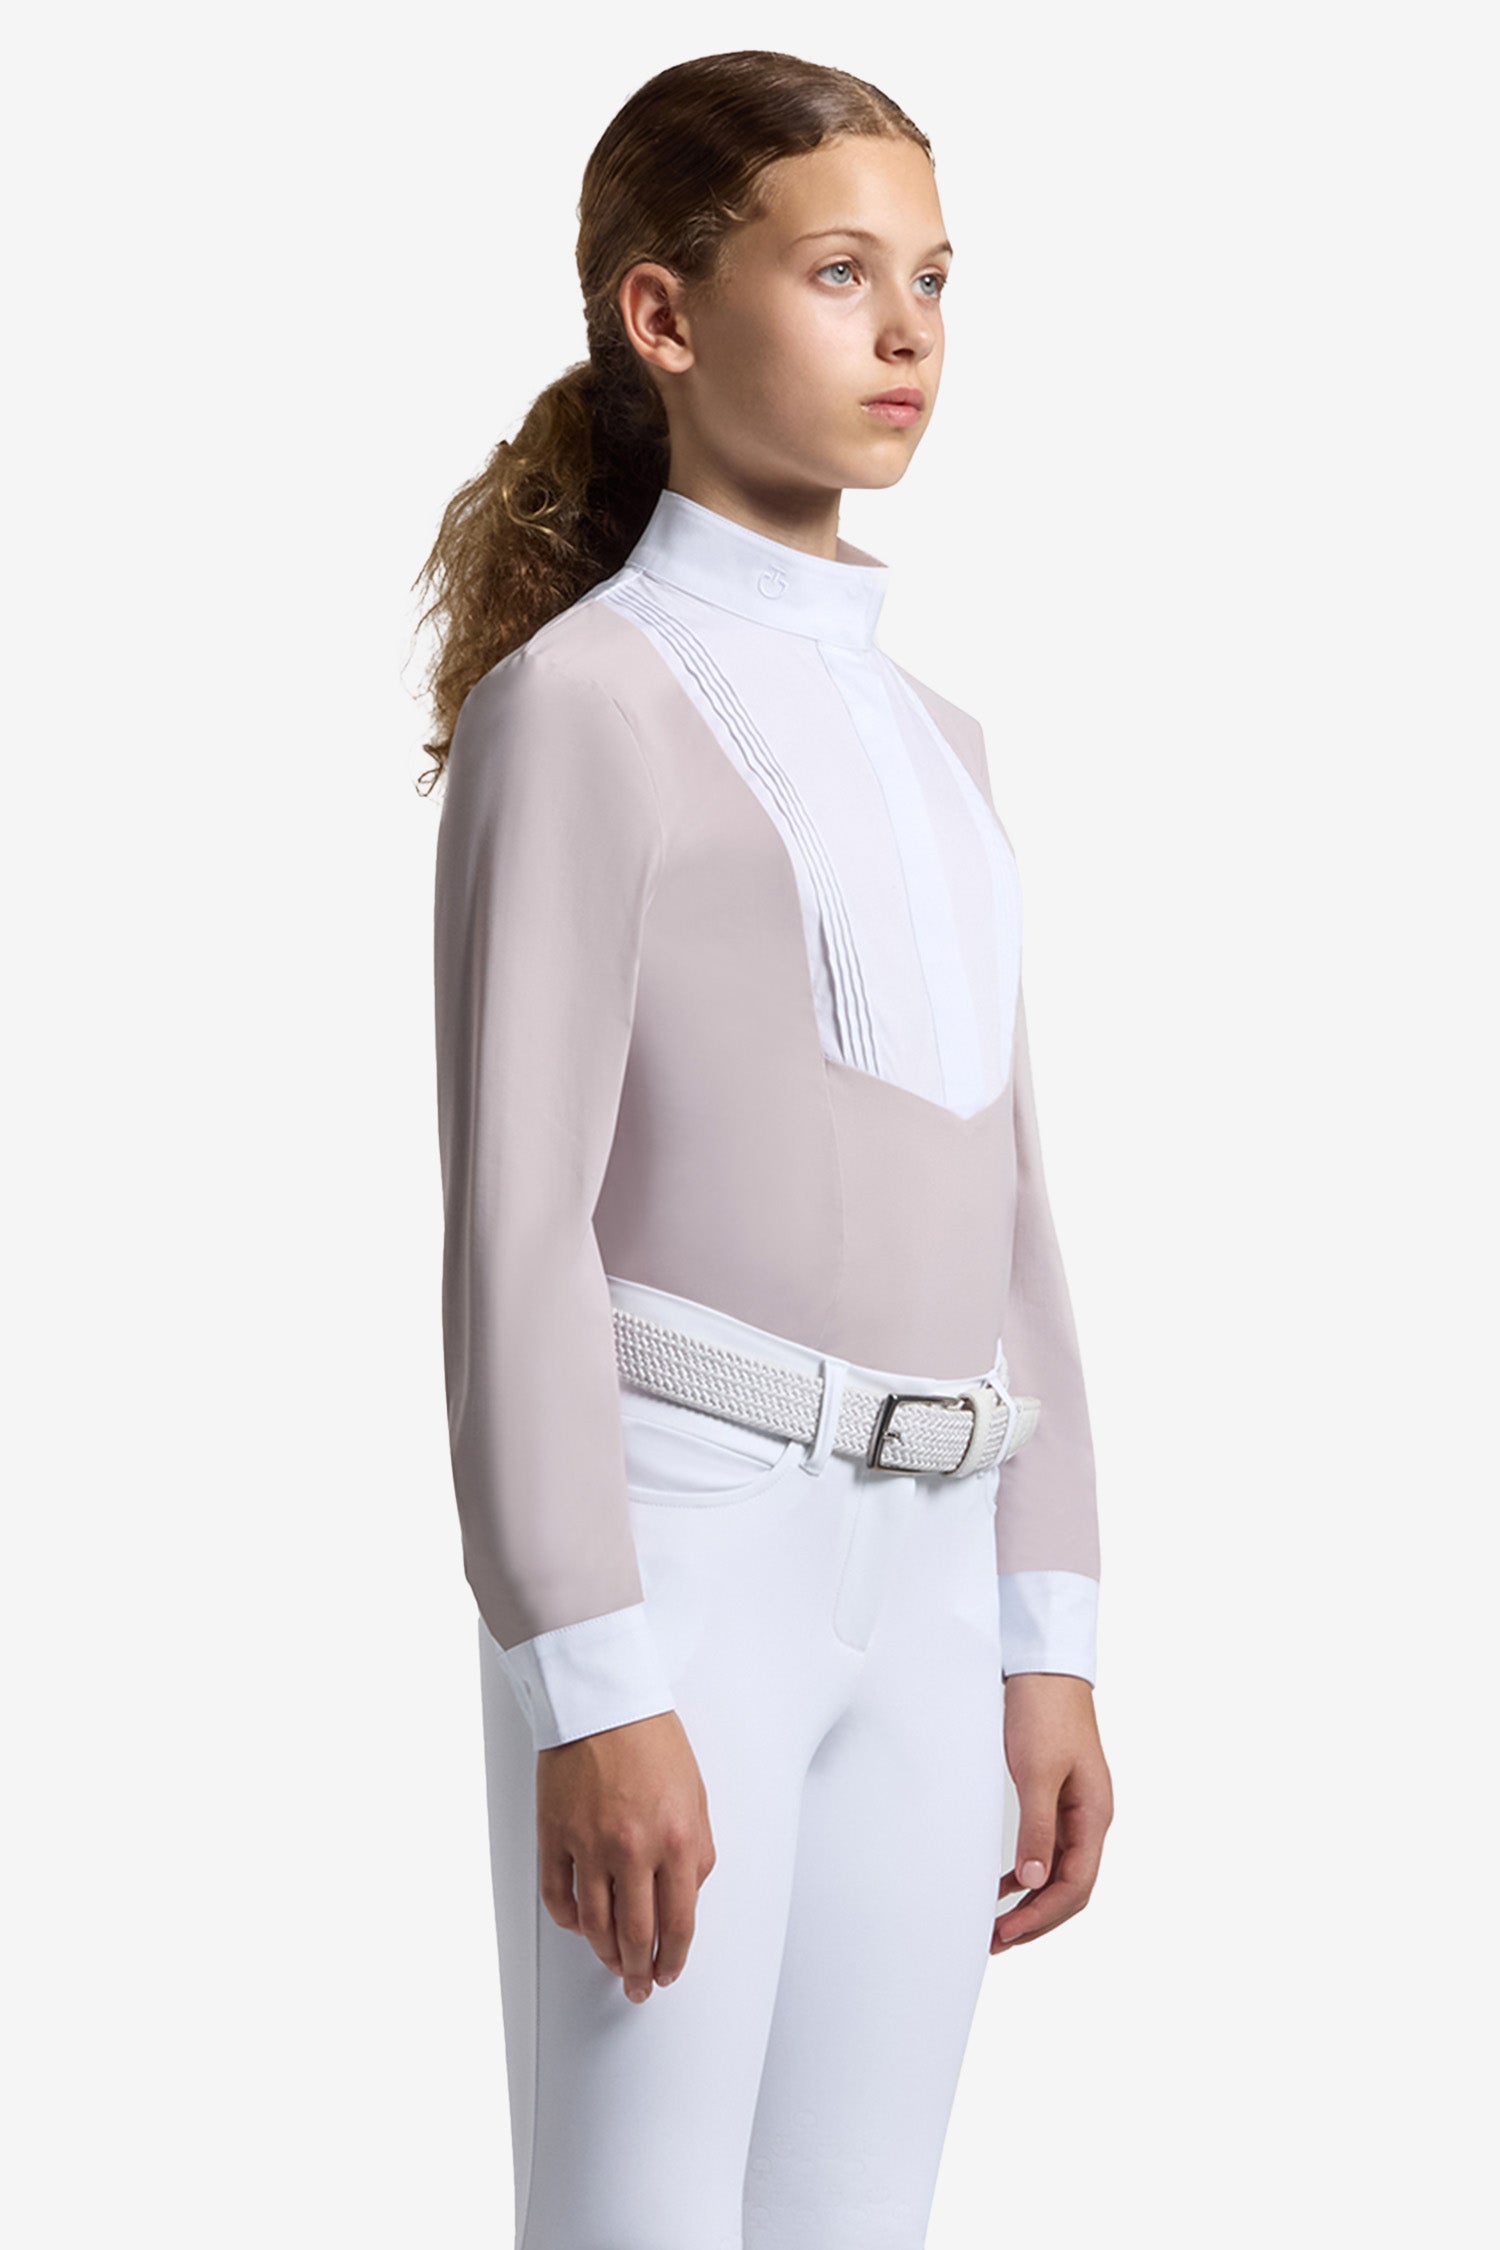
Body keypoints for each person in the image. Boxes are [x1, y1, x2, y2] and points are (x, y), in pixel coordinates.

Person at [418, 48, 1112, 2250]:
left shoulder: (946, 743)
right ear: (664, 314)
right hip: (689, 1542)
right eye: (837, 273)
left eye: (933, 279)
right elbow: (517, 1231)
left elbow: (1014, 1213)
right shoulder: (584, 708)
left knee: (855, 2219)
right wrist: (588, 1674)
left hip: (939, 1559)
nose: (906, 331)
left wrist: (1050, 1628)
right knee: (636, 2219)